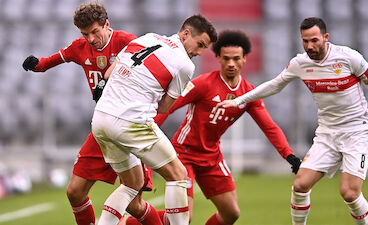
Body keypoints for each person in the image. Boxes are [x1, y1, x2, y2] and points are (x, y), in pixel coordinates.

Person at [215, 17, 368, 225]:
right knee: (300, 185)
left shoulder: (348, 58)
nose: (310, 46)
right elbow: (274, 85)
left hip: (357, 132)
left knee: (349, 192)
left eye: (315, 40)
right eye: (305, 41)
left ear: (326, 38)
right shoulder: (300, 63)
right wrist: (239, 101)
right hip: (327, 134)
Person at [22, 2, 164, 225]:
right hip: (103, 128)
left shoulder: (127, 41)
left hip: (129, 128)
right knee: (75, 192)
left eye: (94, 32)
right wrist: (36, 64)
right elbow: (52, 61)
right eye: (84, 34)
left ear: (107, 25)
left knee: (134, 205)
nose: (90, 38)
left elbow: (154, 67)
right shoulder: (80, 47)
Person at [153, 30, 301, 225]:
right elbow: (167, 108)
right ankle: (135, 218)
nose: (231, 63)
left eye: (236, 58)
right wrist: (146, 133)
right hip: (184, 154)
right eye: (226, 58)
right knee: (183, 217)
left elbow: (269, 127)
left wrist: (288, 154)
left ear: (245, 59)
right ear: (218, 58)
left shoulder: (248, 94)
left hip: (212, 157)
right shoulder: (203, 84)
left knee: (231, 213)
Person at [91, 14, 217, 225]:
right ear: (186, 34)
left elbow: (111, 72)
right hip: (130, 121)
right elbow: (164, 107)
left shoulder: (146, 38)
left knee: (132, 184)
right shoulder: (185, 65)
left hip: (100, 119)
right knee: (179, 174)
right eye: (200, 44)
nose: (200, 52)